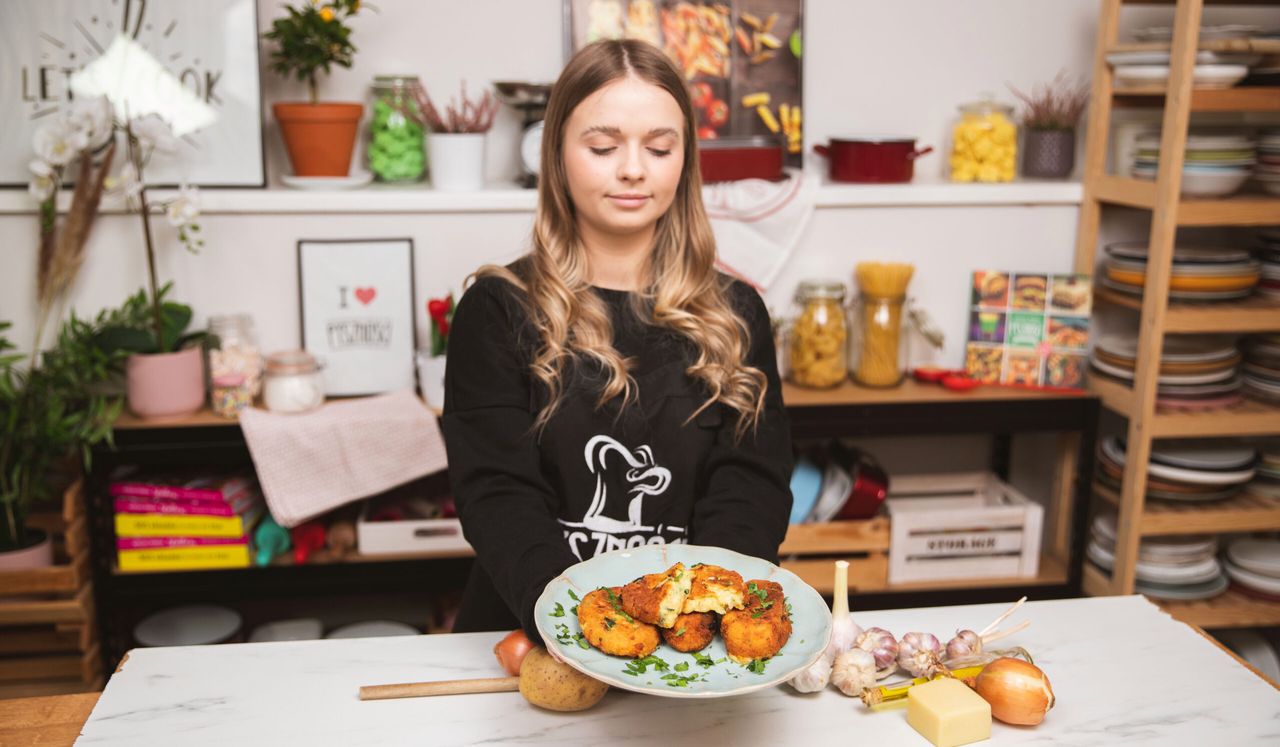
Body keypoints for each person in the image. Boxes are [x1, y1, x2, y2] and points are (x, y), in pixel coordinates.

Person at [441, 38, 794, 642]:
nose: (633, 169)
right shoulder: (496, 310)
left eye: (659, 147)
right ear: (557, 156)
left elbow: (750, 488)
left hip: (690, 639)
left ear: (684, 159)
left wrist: (698, 617)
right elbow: (498, 495)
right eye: (603, 147)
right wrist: (583, 627)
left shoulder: (737, 314)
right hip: (531, 631)